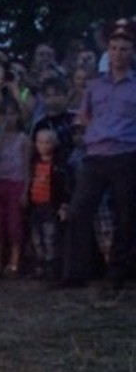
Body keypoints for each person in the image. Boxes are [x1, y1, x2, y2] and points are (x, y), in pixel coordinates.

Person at [57, 24, 136, 292]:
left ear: (132, 52)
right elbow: (84, 116)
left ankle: (117, 272)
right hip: (95, 155)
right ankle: (74, 273)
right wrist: (87, 133)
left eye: (124, 49)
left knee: (126, 216)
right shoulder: (95, 86)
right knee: (79, 212)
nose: (118, 53)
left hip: (126, 154)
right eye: (114, 48)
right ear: (108, 51)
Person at [0, 99, 30, 277]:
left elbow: (27, 167)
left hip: (16, 183)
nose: (8, 118)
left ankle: (14, 261)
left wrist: (26, 190)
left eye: (12, 113)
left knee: (15, 224)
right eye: (3, 114)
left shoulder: (24, 139)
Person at [28, 128, 71, 280]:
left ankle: (52, 266)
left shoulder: (59, 166)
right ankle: (40, 265)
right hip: (35, 205)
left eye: (47, 142)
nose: (43, 146)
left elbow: (65, 186)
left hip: (51, 205)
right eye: (40, 142)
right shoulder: (33, 164)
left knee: (50, 237)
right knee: (36, 238)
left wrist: (64, 204)